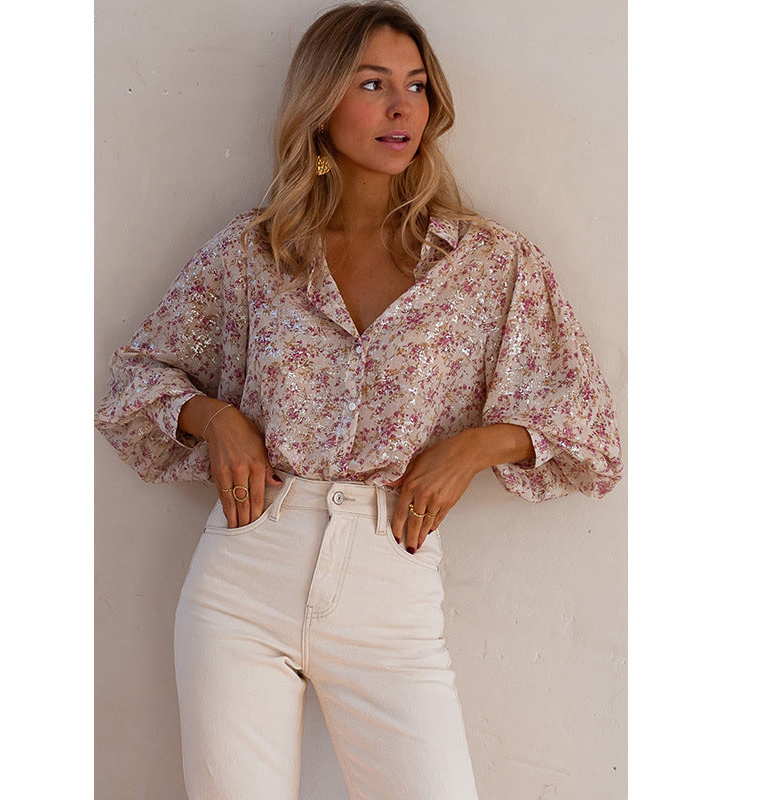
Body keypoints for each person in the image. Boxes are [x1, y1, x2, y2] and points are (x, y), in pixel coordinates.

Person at [95, 2, 622, 798]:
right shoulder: (256, 251)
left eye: (416, 85)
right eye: (372, 84)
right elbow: (136, 381)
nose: (401, 106)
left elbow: (590, 434)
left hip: (390, 580)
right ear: (321, 104)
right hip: (245, 570)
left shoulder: (488, 264)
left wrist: (477, 446)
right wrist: (215, 418)